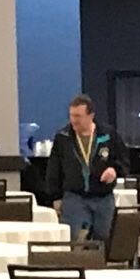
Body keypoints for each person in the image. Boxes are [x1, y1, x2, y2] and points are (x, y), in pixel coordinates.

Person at [44, 93, 121, 242]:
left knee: (104, 240)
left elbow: (122, 159)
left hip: (103, 198)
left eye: (78, 116)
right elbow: (54, 168)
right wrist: (55, 197)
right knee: (76, 240)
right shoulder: (63, 137)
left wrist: (114, 170)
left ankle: (100, 265)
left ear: (91, 115)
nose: (74, 120)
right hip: (74, 198)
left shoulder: (108, 134)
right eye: (72, 115)